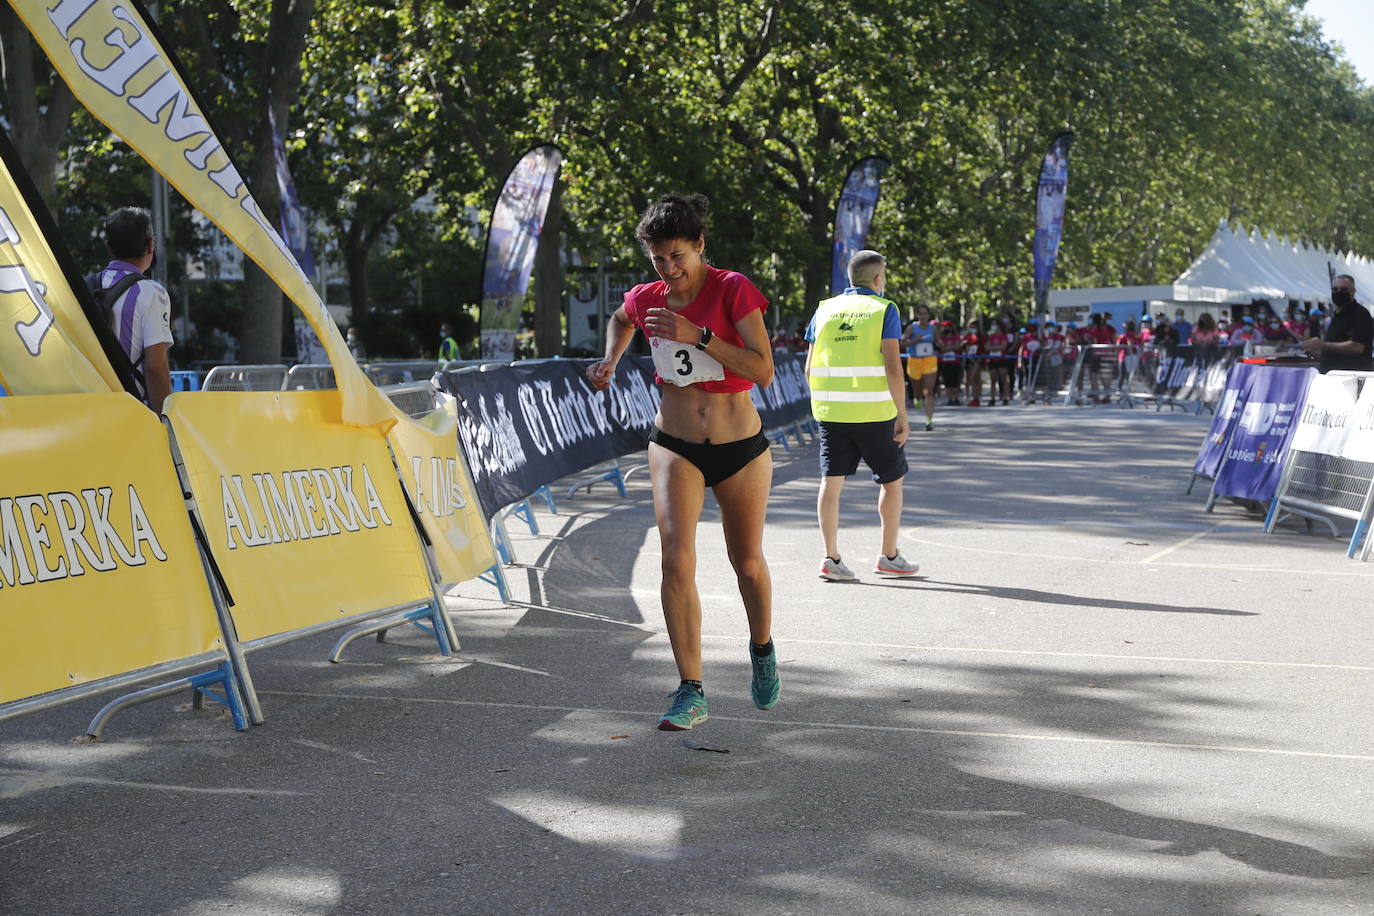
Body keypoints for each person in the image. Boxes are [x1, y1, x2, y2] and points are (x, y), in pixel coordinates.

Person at [586, 193, 778, 731]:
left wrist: (704, 337)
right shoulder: (650, 297)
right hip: (674, 443)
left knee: (747, 564)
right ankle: (690, 687)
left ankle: (761, 648)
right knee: (676, 560)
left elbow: (763, 371)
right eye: (658, 261)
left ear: (699, 246)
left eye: (678, 257)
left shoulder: (732, 288)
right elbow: (621, 318)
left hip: (740, 447)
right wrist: (610, 359)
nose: (670, 271)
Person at [806, 249, 918, 583]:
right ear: (879, 279)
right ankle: (889, 556)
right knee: (891, 481)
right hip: (876, 412)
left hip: (832, 412)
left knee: (831, 483)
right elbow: (892, 365)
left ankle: (831, 558)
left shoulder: (825, 309)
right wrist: (902, 414)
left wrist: (822, 404)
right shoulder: (884, 309)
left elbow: (810, 366)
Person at [93, 206, 173, 413]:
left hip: (89, 409)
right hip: (134, 413)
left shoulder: (84, 287)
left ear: (109, 247)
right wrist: (166, 417)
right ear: (150, 244)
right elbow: (156, 367)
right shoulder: (151, 293)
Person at [1302, 274, 1374, 373]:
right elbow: (1335, 349)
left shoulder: (1360, 314)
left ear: (1353, 291)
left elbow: (1357, 347)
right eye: (1335, 289)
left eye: (1343, 289)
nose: (1338, 292)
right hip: (1332, 375)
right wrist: (1317, 352)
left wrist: (1323, 345)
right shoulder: (1337, 315)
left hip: (1350, 378)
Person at [901, 303, 939, 429]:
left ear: (929, 316)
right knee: (918, 392)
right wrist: (914, 340)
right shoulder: (912, 328)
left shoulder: (932, 328)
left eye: (925, 313)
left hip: (929, 360)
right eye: (921, 313)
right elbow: (902, 343)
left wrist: (941, 344)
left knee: (929, 391)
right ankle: (917, 398)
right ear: (917, 315)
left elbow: (938, 341)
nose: (923, 316)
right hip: (914, 361)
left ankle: (929, 421)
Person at [937, 320, 963, 405]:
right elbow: (942, 348)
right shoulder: (941, 338)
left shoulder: (956, 337)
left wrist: (948, 347)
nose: (947, 329)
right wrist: (951, 347)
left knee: (955, 381)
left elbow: (958, 346)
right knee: (947, 381)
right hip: (945, 362)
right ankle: (950, 399)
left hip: (955, 362)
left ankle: (955, 398)